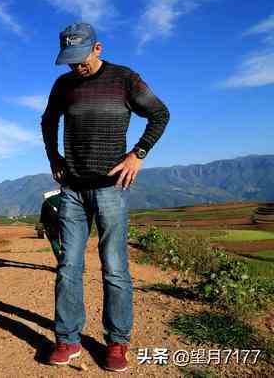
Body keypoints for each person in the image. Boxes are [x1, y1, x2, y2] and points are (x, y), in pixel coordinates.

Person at [41, 22, 170, 372]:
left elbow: (159, 114)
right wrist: (54, 156)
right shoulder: (64, 85)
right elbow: (48, 120)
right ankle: (67, 340)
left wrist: (138, 155)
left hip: (111, 189)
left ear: (97, 49)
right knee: (68, 266)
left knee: (114, 267)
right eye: (70, 60)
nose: (76, 66)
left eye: (81, 57)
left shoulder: (124, 79)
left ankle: (117, 343)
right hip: (73, 189)